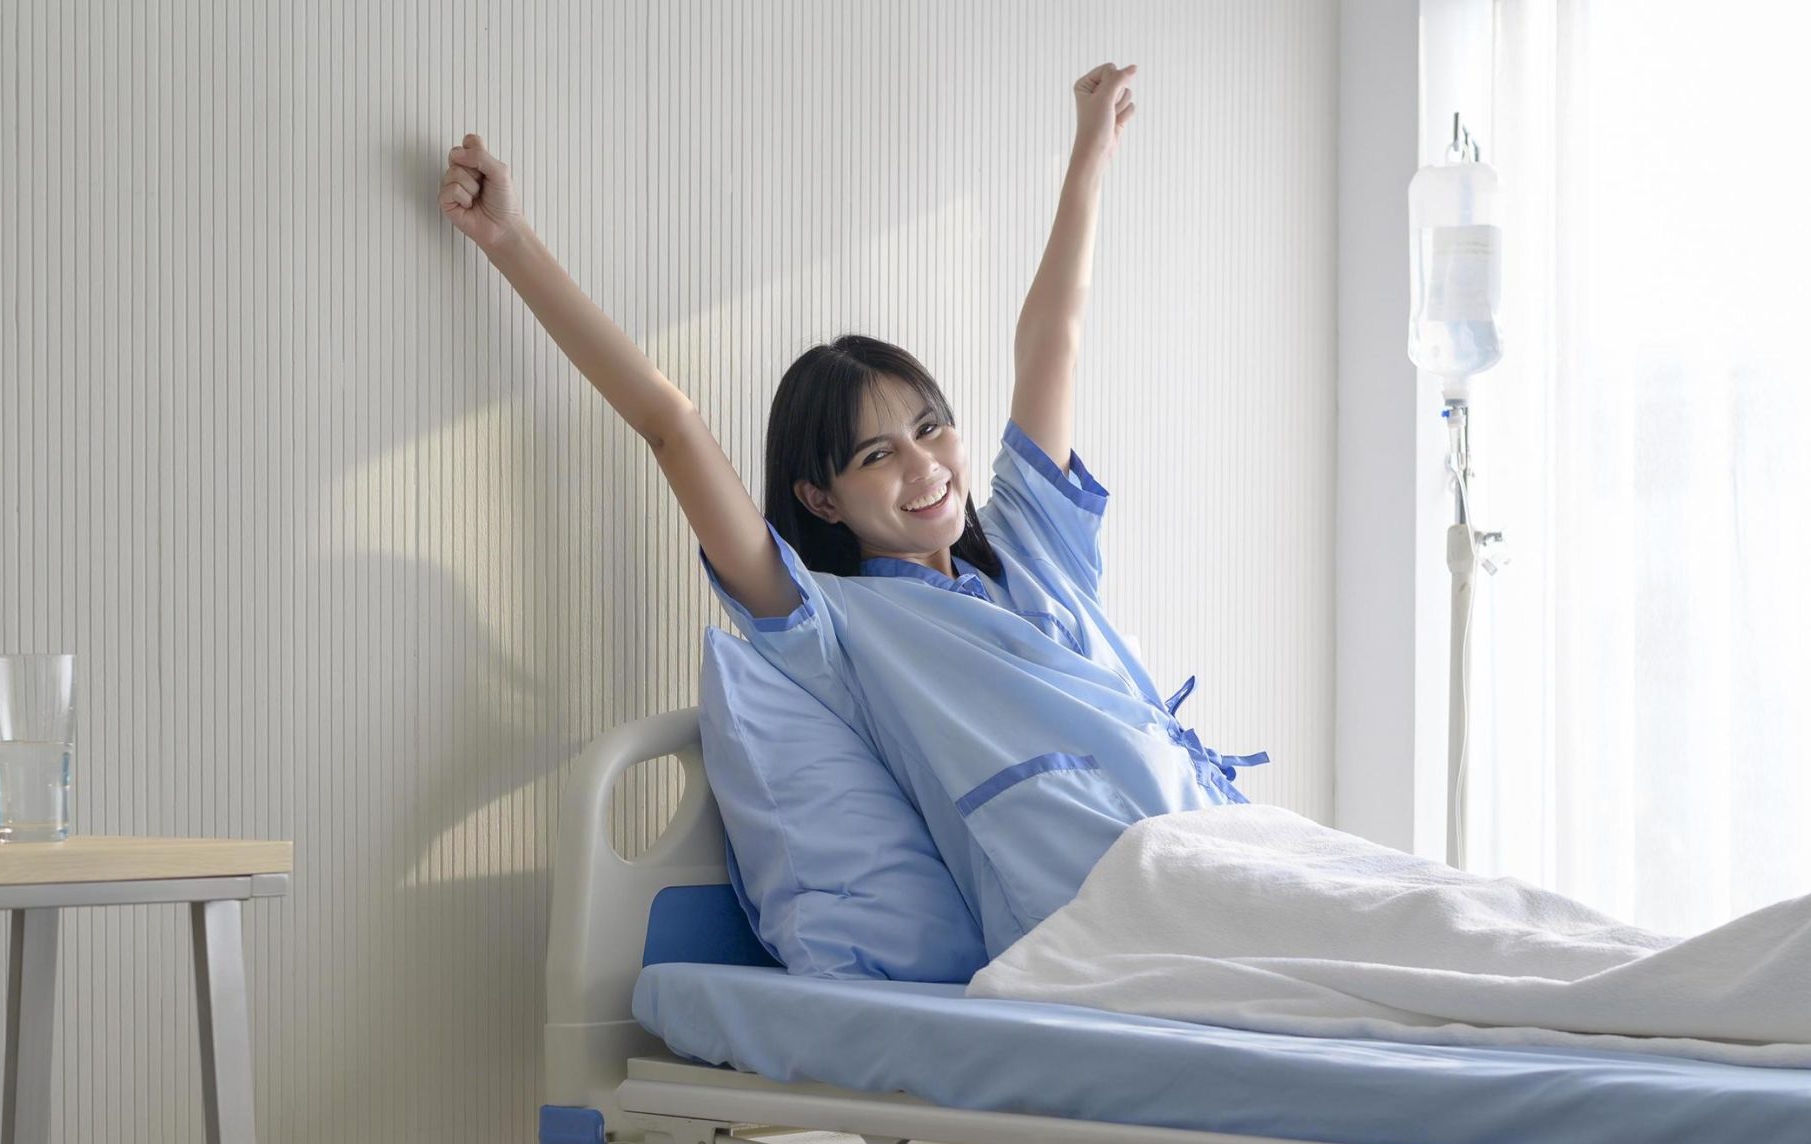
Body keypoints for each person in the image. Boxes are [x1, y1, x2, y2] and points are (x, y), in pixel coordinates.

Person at [440, 63, 1262, 956]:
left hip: (1215, 844)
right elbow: (669, 424)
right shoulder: (835, 629)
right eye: (878, 455)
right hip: (1100, 917)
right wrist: (509, 240)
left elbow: (1051, 337)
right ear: (817, 497)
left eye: (931, 429)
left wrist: (1090, 150)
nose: (925, 466)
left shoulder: (1034, 546)